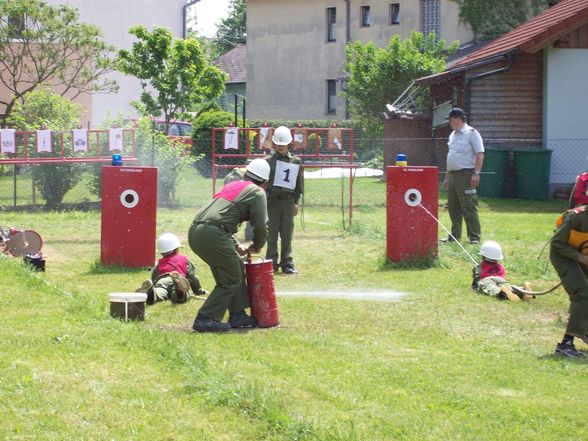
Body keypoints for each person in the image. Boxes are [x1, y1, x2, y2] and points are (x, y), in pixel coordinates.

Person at [188, 158, 270, 333]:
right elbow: (261, 225)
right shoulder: (257, 192)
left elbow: (220, 215)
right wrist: (257, 245)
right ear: (264, 181)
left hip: (197, 231)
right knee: (232, 278)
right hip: (213, 234)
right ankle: (206, 318)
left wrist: (235, 244)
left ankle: (238, 315)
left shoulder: (232, 186)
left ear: (246, 173)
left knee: (235, 268)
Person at [264, 126, 304, 274]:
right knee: (272, 233)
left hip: (288, 201)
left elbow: (299, 185)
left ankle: (287, 262)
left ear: (289, 143)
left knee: (287, 232)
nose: (281, 146)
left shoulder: (295, 161)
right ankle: (271, 262)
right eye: (278, 144)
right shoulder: (267, 162)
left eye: (283, 144)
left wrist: (296, 202)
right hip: (272, 202)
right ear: (274, 144)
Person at [442, 107, 484, 245]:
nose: (449, 123)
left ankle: (474, 237)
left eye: (450, 120)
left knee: (468, 206)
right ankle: (455, 236)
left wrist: (476, 173)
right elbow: (451, 156)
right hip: (453, 175)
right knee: (453, 207)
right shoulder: (452, 135)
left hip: (466, 174)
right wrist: (447, 177)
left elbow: (480, 153)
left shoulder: (471, 133)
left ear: (457, 119)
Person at [550, 205, 588, 357]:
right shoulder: (576, 217)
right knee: (583, 292)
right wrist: (580, 258)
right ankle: (566, 344)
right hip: (564, 256)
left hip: (583, 256)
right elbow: (557, 244)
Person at [136, 233, 206, 305]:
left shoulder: (160, 263)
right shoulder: (184, 259)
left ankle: (153, 294)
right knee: (178, 295)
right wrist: (198, 291)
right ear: (176, 248)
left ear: (162, 252)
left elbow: (154, 277)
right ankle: (179, 290)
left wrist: (154, 284)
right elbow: (192, 277)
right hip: (178, 277)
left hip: (162, 280)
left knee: (160, 291)